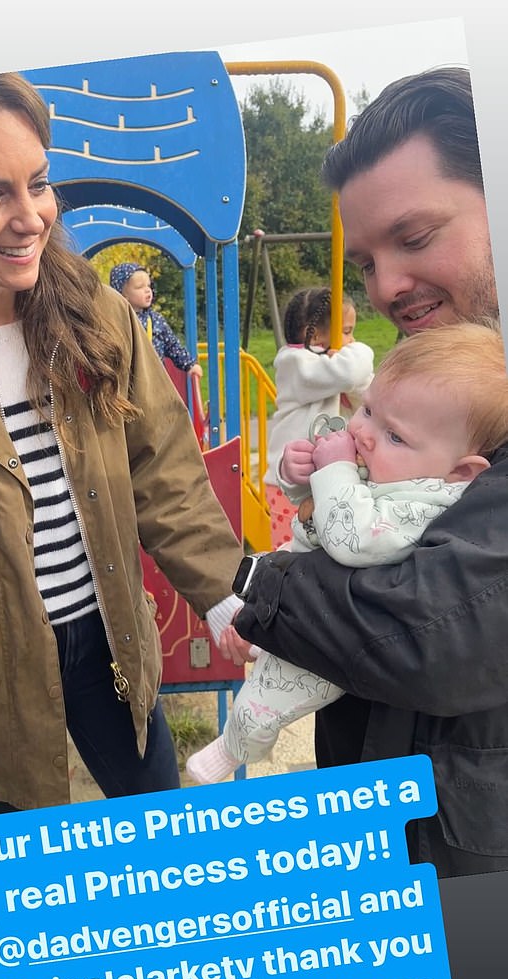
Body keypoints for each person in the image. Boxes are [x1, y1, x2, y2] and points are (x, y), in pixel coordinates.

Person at [0, 73, 244, 815]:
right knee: (35, 856)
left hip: (111, 636)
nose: (29, 218)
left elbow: (163, 467)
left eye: (38, 184)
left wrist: (223, 594)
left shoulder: (93, 313)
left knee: (160, 823)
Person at [226, 66, 508, 878]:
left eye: (415, 239)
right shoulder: (442, 400)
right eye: (370, 257)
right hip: (385, 806)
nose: (385, 286)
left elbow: (429, 631)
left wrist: (265, 587)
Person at [188, 322, 505, 784]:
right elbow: (321, 511)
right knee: (269, 653)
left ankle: (236, 744)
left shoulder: (429, 504)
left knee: (270, 692)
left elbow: (352, 538)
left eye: (394, 436)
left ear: (461, 472)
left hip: (346, 631)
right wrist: (301, 477)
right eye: (369, 409)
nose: (364, 434)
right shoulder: (405, 470)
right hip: (309, 590)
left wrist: (334, 469)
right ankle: (259, 652)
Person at [264, 286, 374, 549]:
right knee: (289, 557)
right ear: (313, 336)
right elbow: (350, 372)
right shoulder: (294, 363)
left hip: (330, 482)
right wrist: (358, 351)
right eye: (347, 332)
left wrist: (355, 383)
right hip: (290, 489)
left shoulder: (327, 371)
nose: (351, 340)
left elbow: (369, 394)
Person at [109, 261, 204, 383]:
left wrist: (190, 365)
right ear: (122, 294)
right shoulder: (116, 320)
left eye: (149, 286)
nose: (147, 290)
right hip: (128, 380)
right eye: (139, 287)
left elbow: (172, 346)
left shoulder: (155, 320)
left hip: (155, 379)